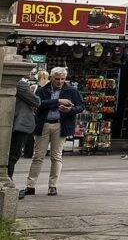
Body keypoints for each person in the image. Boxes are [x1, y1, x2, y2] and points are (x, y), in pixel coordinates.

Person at [29, 67, 84, 196]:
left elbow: (81, 106)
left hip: (60, 124)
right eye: (57, 79)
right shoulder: (42, 90)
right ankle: (30, 185)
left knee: (56, 156)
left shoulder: (71, 91)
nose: (60, 82)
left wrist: (70, 110)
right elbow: (38, 103)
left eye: (62, 79)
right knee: (38, 156)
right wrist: (57, 101)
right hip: (44, 124)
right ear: (51, 78)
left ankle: (52, 185)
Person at [6, 69, 41, 195]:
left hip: (15, 123)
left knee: (12, 154)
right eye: (30, 70)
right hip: (19, 124)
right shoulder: (21, 84)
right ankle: (8, 183)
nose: (32, 73)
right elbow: (36, 101)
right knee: (13, 154)